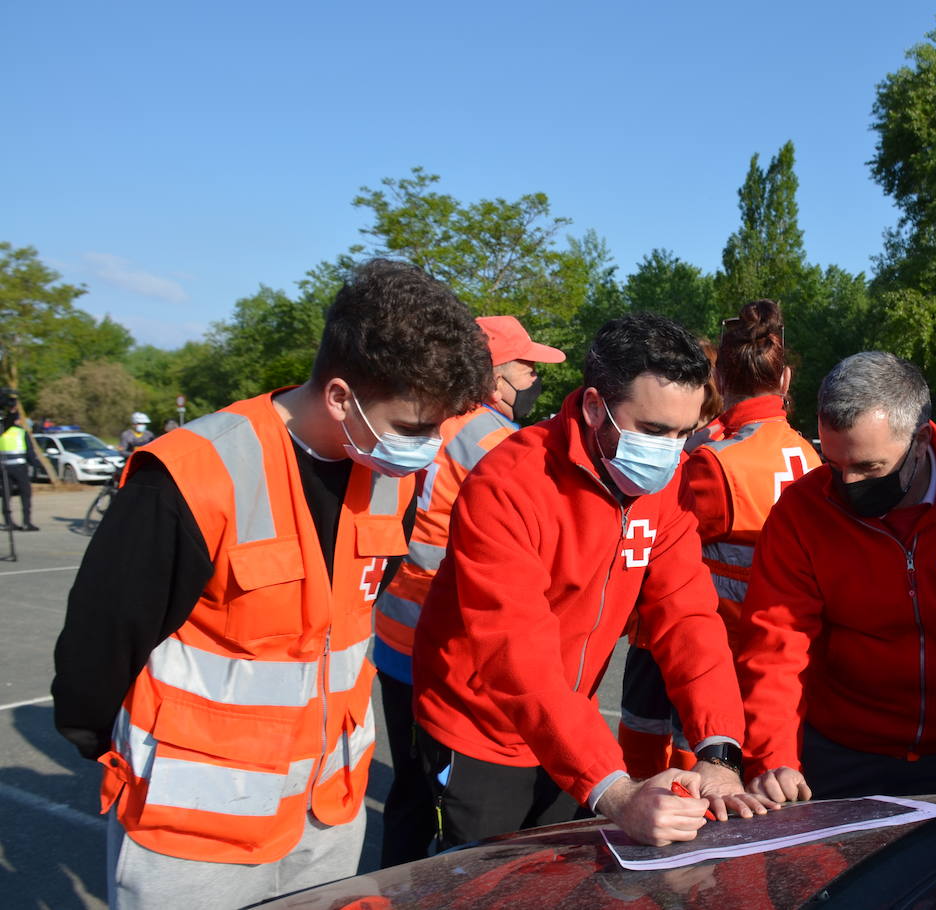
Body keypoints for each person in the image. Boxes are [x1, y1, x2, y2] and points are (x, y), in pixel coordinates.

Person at [50, 259, 493, 910]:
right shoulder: (192, 474)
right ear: (341, 396)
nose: (427, 450)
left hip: (328, 815)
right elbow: (99, 648)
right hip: (195, 832)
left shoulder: (386, 477)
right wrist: (112, 754)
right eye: (415, 428)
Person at [411, 312, 771, 850]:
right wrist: (615, 791)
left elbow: (688, 616)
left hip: (571, 731)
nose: (670, 453)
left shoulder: (664, 486)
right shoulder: (508, 483)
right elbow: (515, 653)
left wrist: (718, 751)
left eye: (682, 433)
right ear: (595, 406)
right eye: (652, 431)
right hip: (482, 730)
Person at [736, 351, 936, 804]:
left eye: (870, 468)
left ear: (922, 439)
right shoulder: (802, 512)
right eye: (834, 465)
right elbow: (776, 643)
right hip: (836, 755)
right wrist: (773, 756)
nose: (849, 484)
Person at [375, 314, 566, 867]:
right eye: (527, 366)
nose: (534, 377)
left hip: (395, 627)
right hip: (444, 639)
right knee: (444, 798)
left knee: (409, 788)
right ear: (493, 373)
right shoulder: (498, 441)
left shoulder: (427, 420)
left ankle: (393, 886)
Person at [617, 300, 822, 779]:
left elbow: (656, 548)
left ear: (721, 381)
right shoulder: (811, 456)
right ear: (786, 379)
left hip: (700, 652)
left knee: (672, 774)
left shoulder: (711, 460)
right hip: (775, 653)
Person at [0, 394, 38, 531]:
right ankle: (26, 522)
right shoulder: (21, 433)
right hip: (20, 467)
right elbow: (30, 453)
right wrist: (35, 467)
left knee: (6, 495)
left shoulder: (2, 432)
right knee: (25, 495)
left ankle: (8, 522)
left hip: (3, 468)